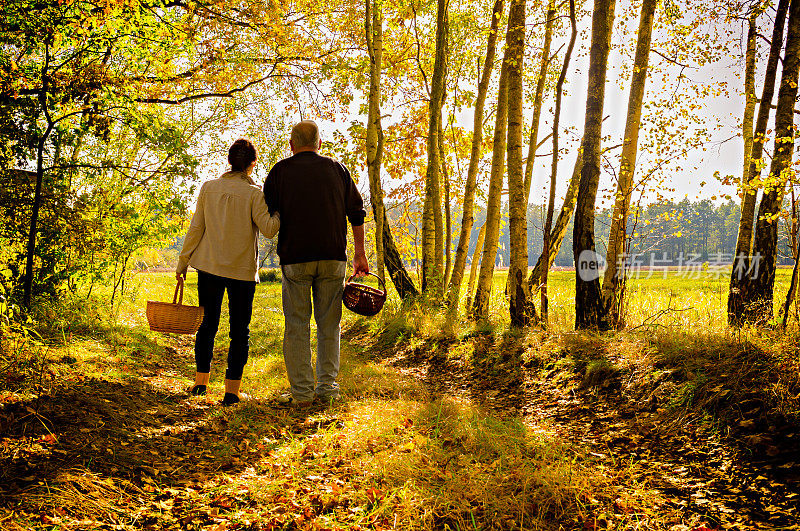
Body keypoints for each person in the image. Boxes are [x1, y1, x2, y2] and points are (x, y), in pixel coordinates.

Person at [264, 120, 368, 408]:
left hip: (296, 258)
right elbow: (356, 213)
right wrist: (360, 253)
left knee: (297, 325)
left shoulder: (280, 172)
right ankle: (328, 389)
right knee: (329, 325)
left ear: (291, 145)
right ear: (319, 143)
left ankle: (301, 393)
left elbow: (267, 212)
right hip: (333, 256)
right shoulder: (338, 169)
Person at [176, 138, 280, 406]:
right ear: (252, 164)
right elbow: (269, 229)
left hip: (209, 266)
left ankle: (200, 384)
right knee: (239, 331)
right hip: (241, 273)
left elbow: (195, 229)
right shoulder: (255, 194)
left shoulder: (208, 188)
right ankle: (231, 391)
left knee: (207, 325)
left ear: (230, 160)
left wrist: (182, 263)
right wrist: (280, 210)